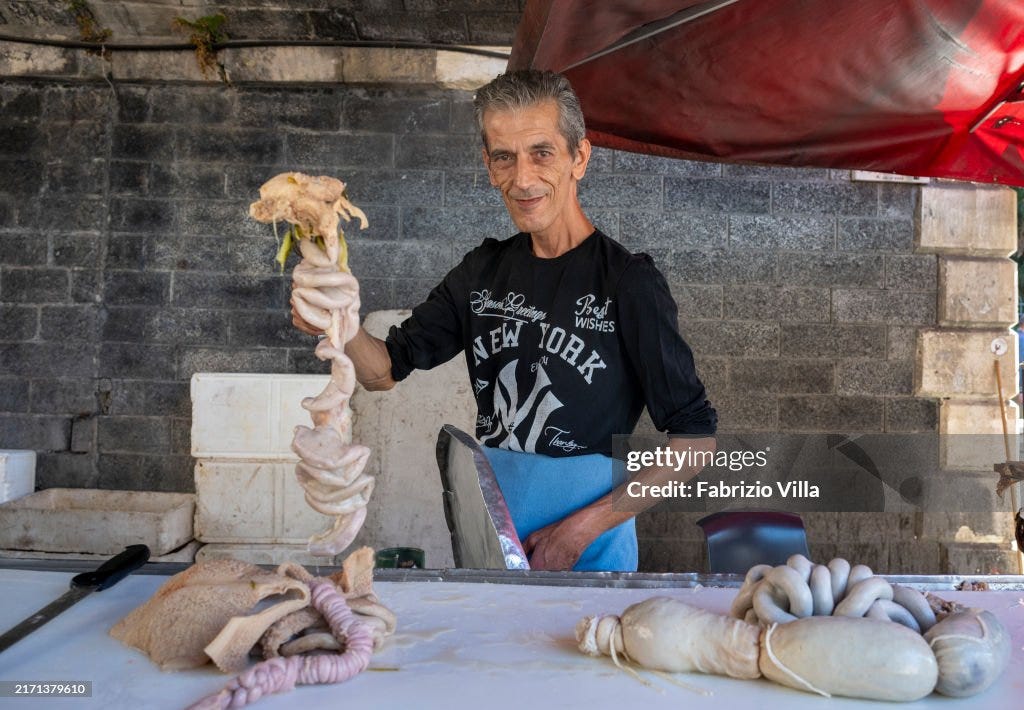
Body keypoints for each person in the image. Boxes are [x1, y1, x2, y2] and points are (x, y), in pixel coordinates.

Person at [293, 70, 716, 571]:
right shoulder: (483, 272)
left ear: (579, 157)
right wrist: (338, 317)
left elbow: (695, 442)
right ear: (488, 166)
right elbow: (383, 370)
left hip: (590, 549)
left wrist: (581, 529)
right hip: (493, 533)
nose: (523, 179)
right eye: (504, 157)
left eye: (542, 153)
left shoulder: (628, 282)